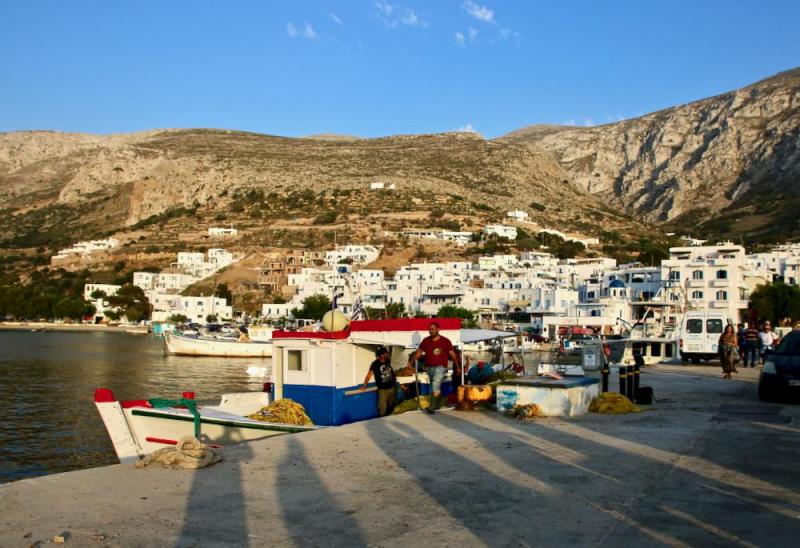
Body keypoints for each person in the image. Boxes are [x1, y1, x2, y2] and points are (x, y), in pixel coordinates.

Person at [408, 321, 458, 414]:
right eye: (429, 329)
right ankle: (437, 403)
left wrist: (458, 366)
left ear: (438, 329)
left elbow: (452, 354)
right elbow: (419, 352)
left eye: (433, 329)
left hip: (441, 367)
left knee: (435, 384)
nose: (430, 331)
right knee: (434, 386)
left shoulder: (446, 341)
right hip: (429, 367)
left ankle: (432, 407)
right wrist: (411, 361)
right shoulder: (426, 341)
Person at [361, 346, 397, 417]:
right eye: (386, 353)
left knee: (392, 405)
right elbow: (369, 375)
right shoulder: (375, 364)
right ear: (381, 355)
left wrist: (395, 380)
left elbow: (391, 371)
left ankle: (392, 418)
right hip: (382, 390)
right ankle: (382, 421)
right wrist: (364, 385)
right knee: (382, 407)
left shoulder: (387, 360)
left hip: (392, 387)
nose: (387, 354)